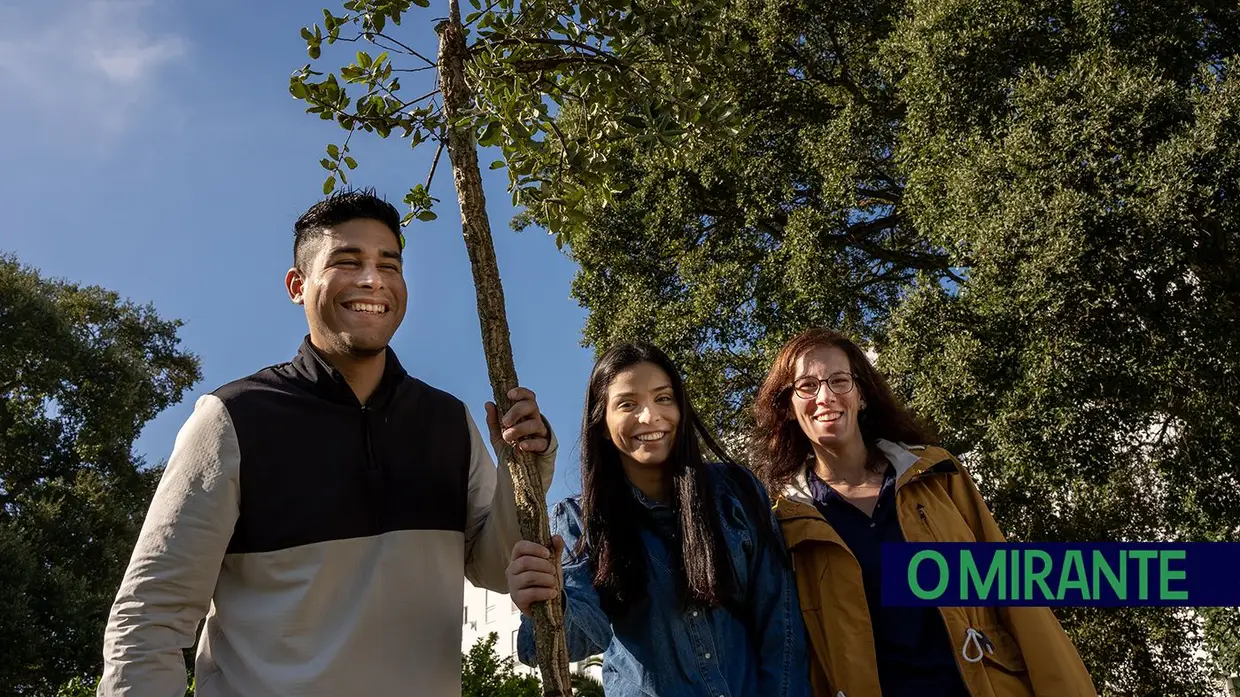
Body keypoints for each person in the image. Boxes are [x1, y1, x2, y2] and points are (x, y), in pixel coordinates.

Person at [97, 189, 557, 697]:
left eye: (389, 263)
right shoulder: (233, 420)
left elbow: (495, 567)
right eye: (347, 261)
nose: (372, 279)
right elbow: (149, 616)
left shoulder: (448, 420)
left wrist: (527, 471)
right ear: (298, 285)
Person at [750, 327, 1096, 697]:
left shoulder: (936, 474)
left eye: (839, 381)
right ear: (787, 406)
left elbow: (1014, 595)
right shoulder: (784, 521)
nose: (826, 396)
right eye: (807, 386)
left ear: (861, 395)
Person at [505, 342, 812, 697]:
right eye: (627, 404)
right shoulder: (579, 520)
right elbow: (579, 636)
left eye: (664, 398)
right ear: (603, 423)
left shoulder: (735, 492)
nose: (650, 417)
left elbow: (780, 622)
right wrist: (545, 598)